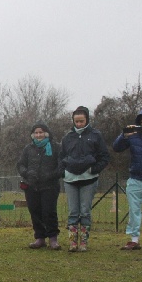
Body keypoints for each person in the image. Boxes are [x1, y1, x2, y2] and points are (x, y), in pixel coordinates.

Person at [59, 106, 110, 252]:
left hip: (89, 179)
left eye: (81, 121)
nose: (79, 124)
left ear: (87, 119)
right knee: (73, 212)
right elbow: (61, 157)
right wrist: (63, 172)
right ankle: (72, 242)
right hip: (70, 180)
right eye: (76, 121)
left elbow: (104, 156)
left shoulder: (95, 135)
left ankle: (84, 242)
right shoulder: (67, 137)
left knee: (85, 211)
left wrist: (94, 169)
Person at [17, 122, 63, 249]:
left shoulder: (56, 147)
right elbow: (20, 164)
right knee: (35, 211)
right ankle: (40, 238)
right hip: (31, 186)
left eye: (41, 132)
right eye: (36, 133)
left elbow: (61, 167)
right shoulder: (28, 149)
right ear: (33, 135)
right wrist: (27, 173)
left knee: (49, 212)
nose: (38, 135)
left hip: (50, 186)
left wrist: (49, 175)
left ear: (46, 133)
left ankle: (53, 239)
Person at [112, 108, 142, 250]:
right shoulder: (133, 136)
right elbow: (116, 147)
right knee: (134, 211)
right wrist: (124, 135)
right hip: (135, 179)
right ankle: (134, 240)